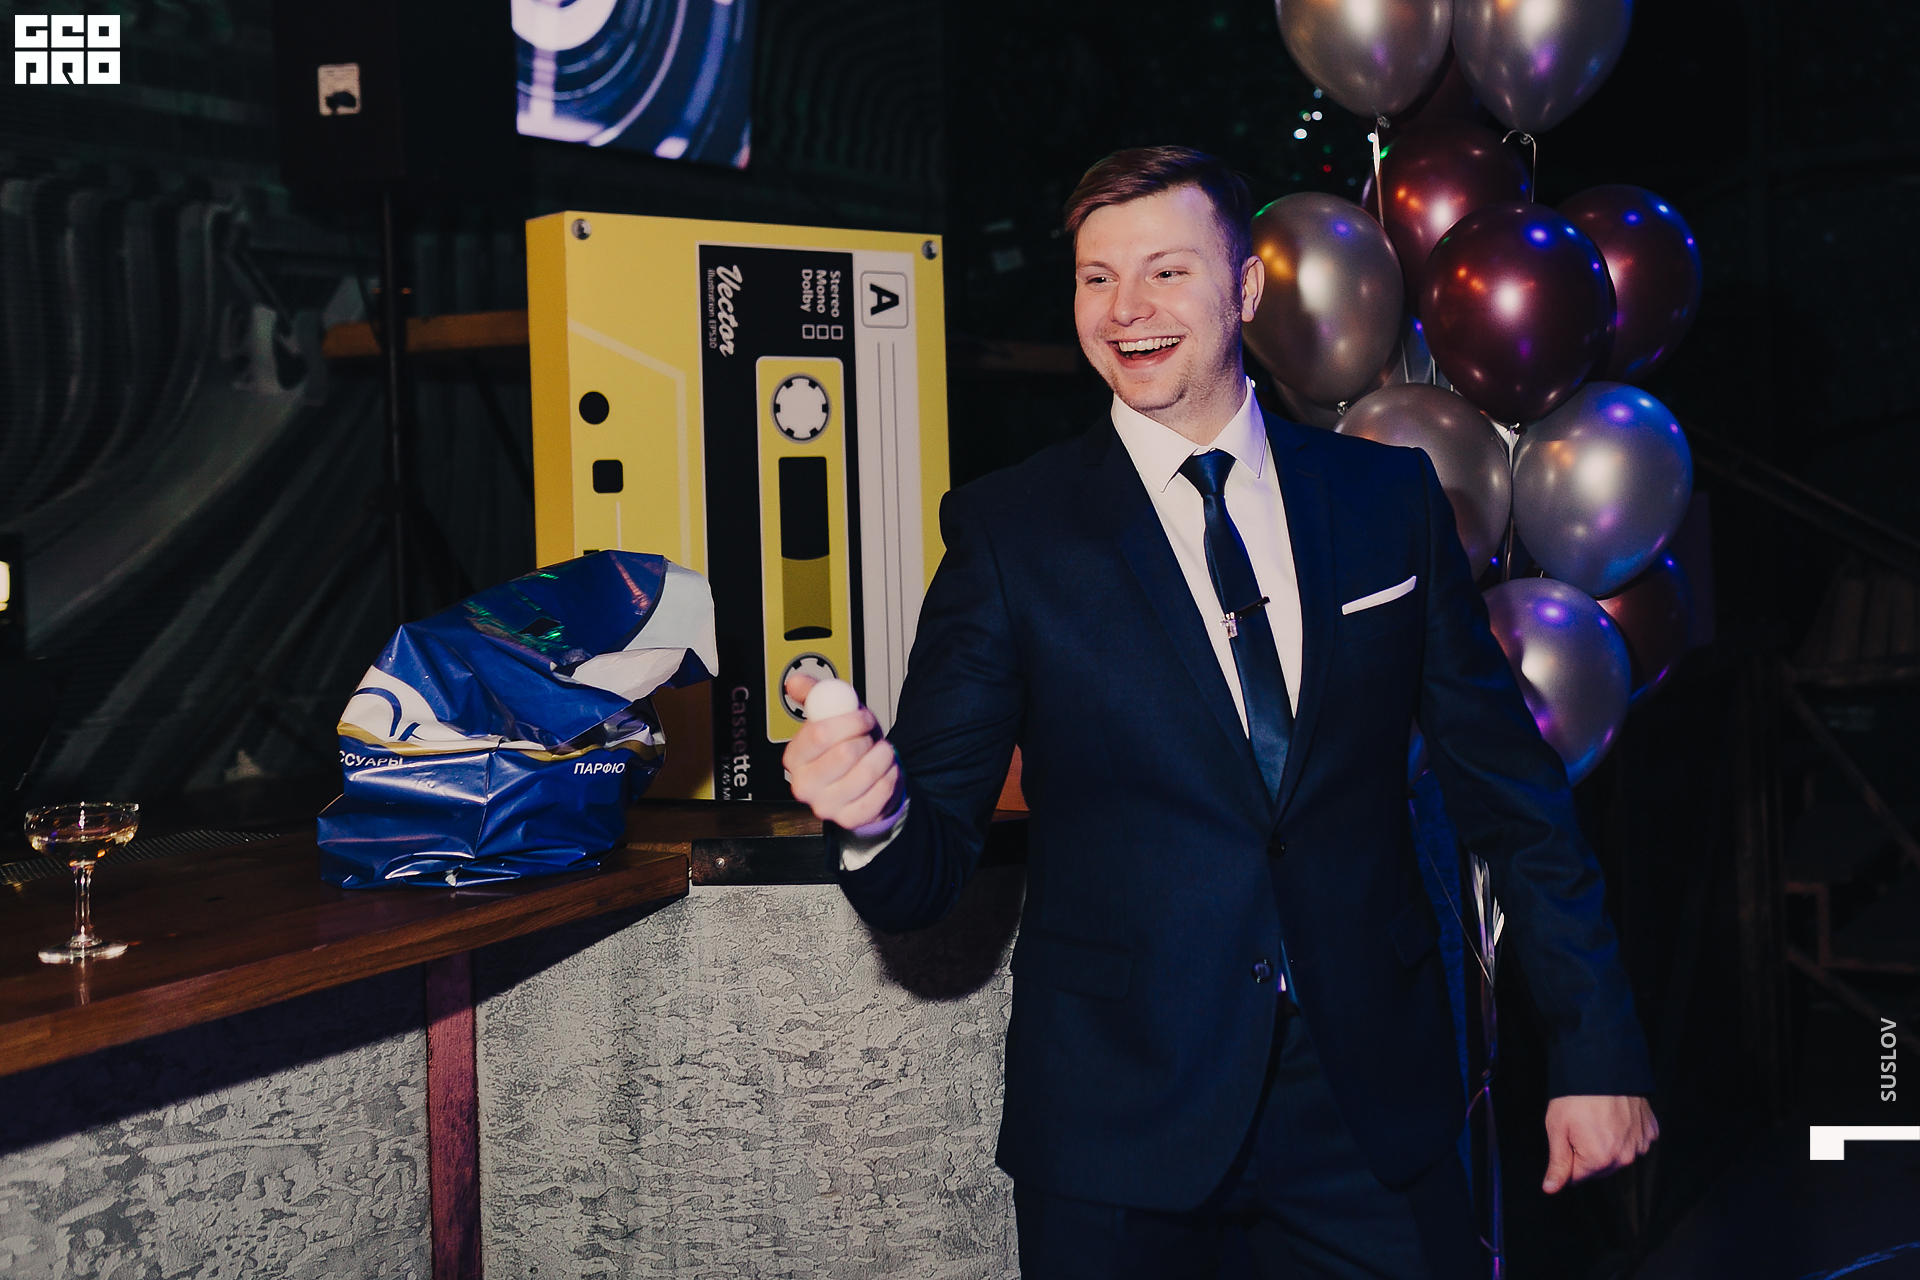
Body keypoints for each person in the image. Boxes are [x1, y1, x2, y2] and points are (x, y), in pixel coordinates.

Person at [782, 146, 1657, 1280]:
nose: (1126, 310)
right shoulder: (1010, 533)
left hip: (1365, 1106)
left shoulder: (1384, 501)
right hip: (1119, 1128)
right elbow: (925, 870)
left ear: (1244, 289)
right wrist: (872, 816)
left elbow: (1515, 795)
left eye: (1166, 271)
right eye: (1097, 278)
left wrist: (1596, 1046)